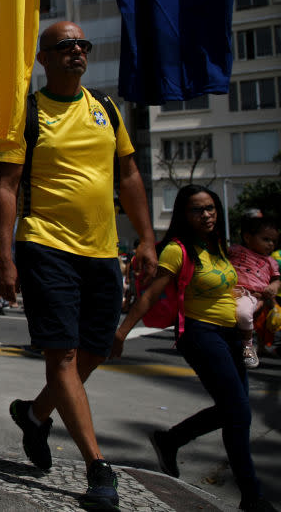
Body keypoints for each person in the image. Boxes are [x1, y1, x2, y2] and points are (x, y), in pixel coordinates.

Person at [0, 21, 157, 510]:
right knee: (61, 355)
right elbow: (6, 187)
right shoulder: (26, 112)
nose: (77, 52)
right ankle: (96, 466)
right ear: (43, 59)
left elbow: (128, 175)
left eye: (82, 45)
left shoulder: (106, 108)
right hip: (46, 244)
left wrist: (146, 238)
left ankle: (35, 414)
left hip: (103, 249)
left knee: (98, 348)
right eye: (64, 46)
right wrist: (5, 257)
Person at [113, 187, 276, 512]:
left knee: (235, 413)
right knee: (239, 411)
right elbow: (148, 295)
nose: (207, 215)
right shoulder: (178, 250)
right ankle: (252, 495)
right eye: (197, 209)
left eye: (211, 208)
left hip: (230, 334)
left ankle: (172, 442)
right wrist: (121, 333)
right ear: (183, 215)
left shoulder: (219, 248)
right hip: (200, 334)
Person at [228, 215, 280, 369]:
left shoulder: (270, 261)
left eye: (274, 241)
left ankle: (248, 347)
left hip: (249, 295)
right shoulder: (235, 250)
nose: (271, 244)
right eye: (266, 239)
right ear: (248, 237)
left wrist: (275, 286)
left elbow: (277, 279)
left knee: (244, 314)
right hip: (227, 292)